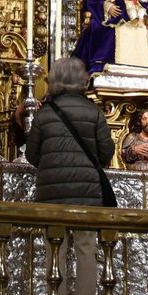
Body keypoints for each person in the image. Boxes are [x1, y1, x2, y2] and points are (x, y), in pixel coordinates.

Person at [25, 56, 114, 204]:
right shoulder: (94, 112)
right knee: (86, 226)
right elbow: (106, 152)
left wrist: (51, 164)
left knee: (53, 226)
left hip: (51, 191)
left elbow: (31, 154)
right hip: (88, 191)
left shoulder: (44, 114)